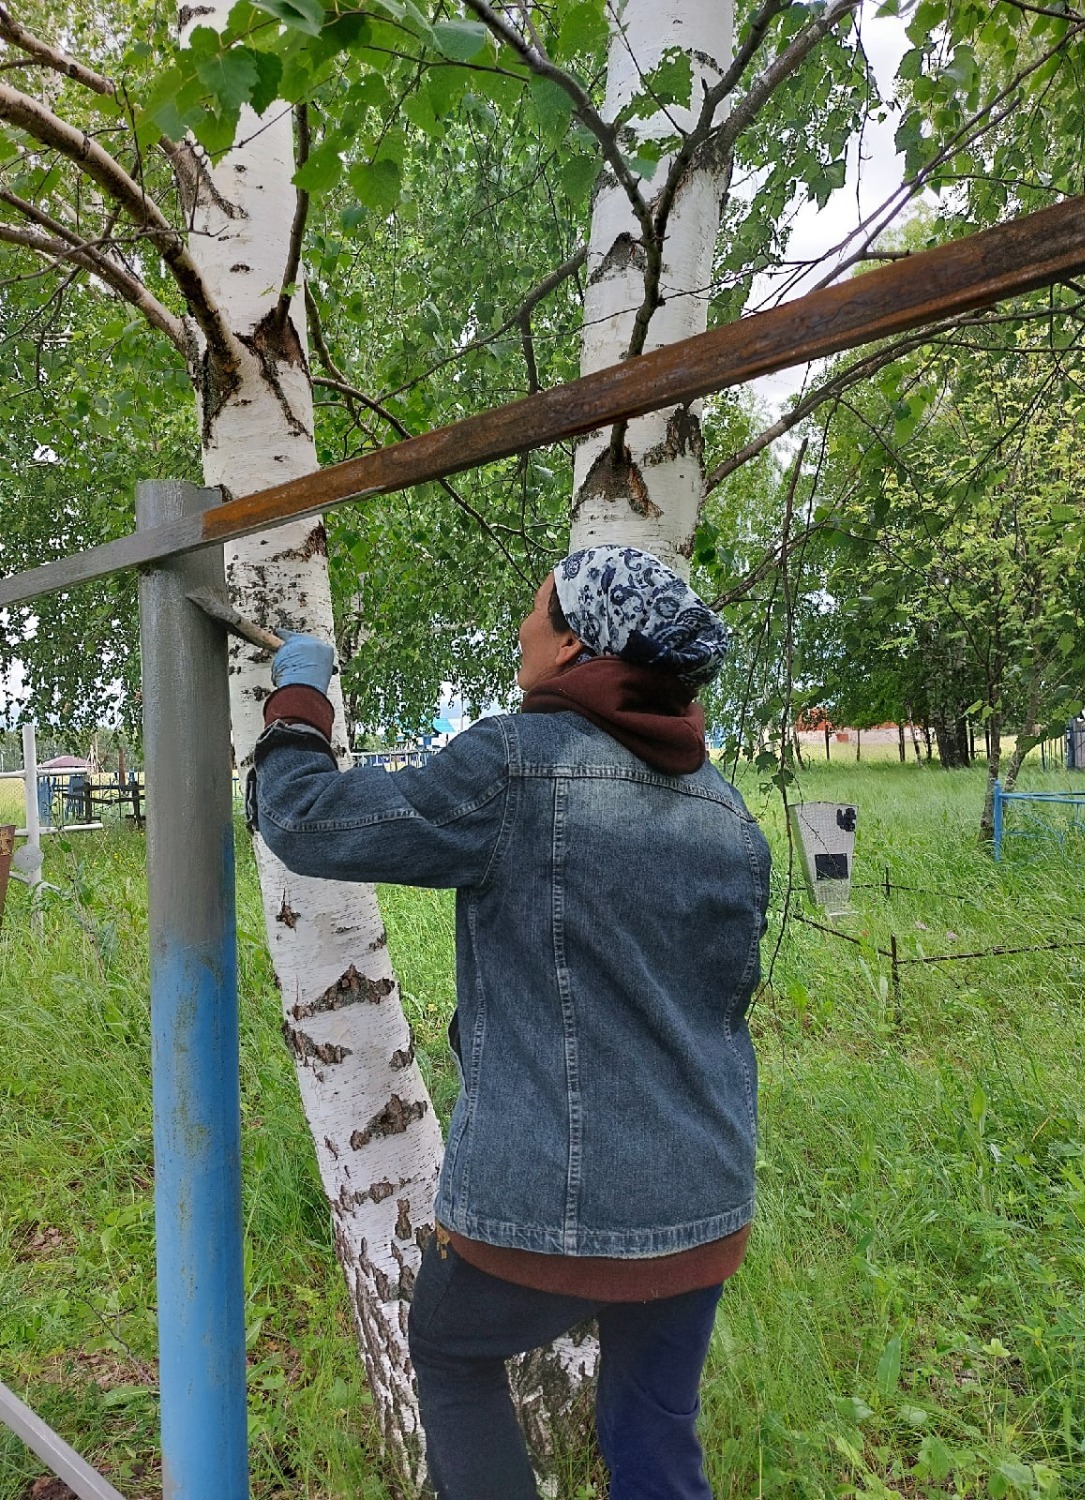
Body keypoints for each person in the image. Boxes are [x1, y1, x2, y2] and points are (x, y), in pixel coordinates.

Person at [248, 544, 771, 1500]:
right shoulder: (726, 811)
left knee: (448, 1355)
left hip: (552, 1209)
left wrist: (297, 703)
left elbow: (307, 819)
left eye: (535, 614)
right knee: (652, 1429)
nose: (520, 630)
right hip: (704, 1199)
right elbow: (708, 1006)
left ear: (572, 644)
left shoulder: (516, 769)